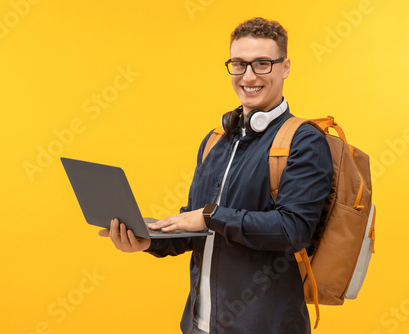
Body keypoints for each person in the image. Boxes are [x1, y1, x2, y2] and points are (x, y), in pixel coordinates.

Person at [99, 17, 333, 334]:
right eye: (238, 64)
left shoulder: (304, 141)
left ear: (285, 67)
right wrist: (149, 240)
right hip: (198, 325)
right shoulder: (216, 141)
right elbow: (196, 226)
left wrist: (210, 217)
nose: (248, 76)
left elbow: (293, 230)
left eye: (262, 64)